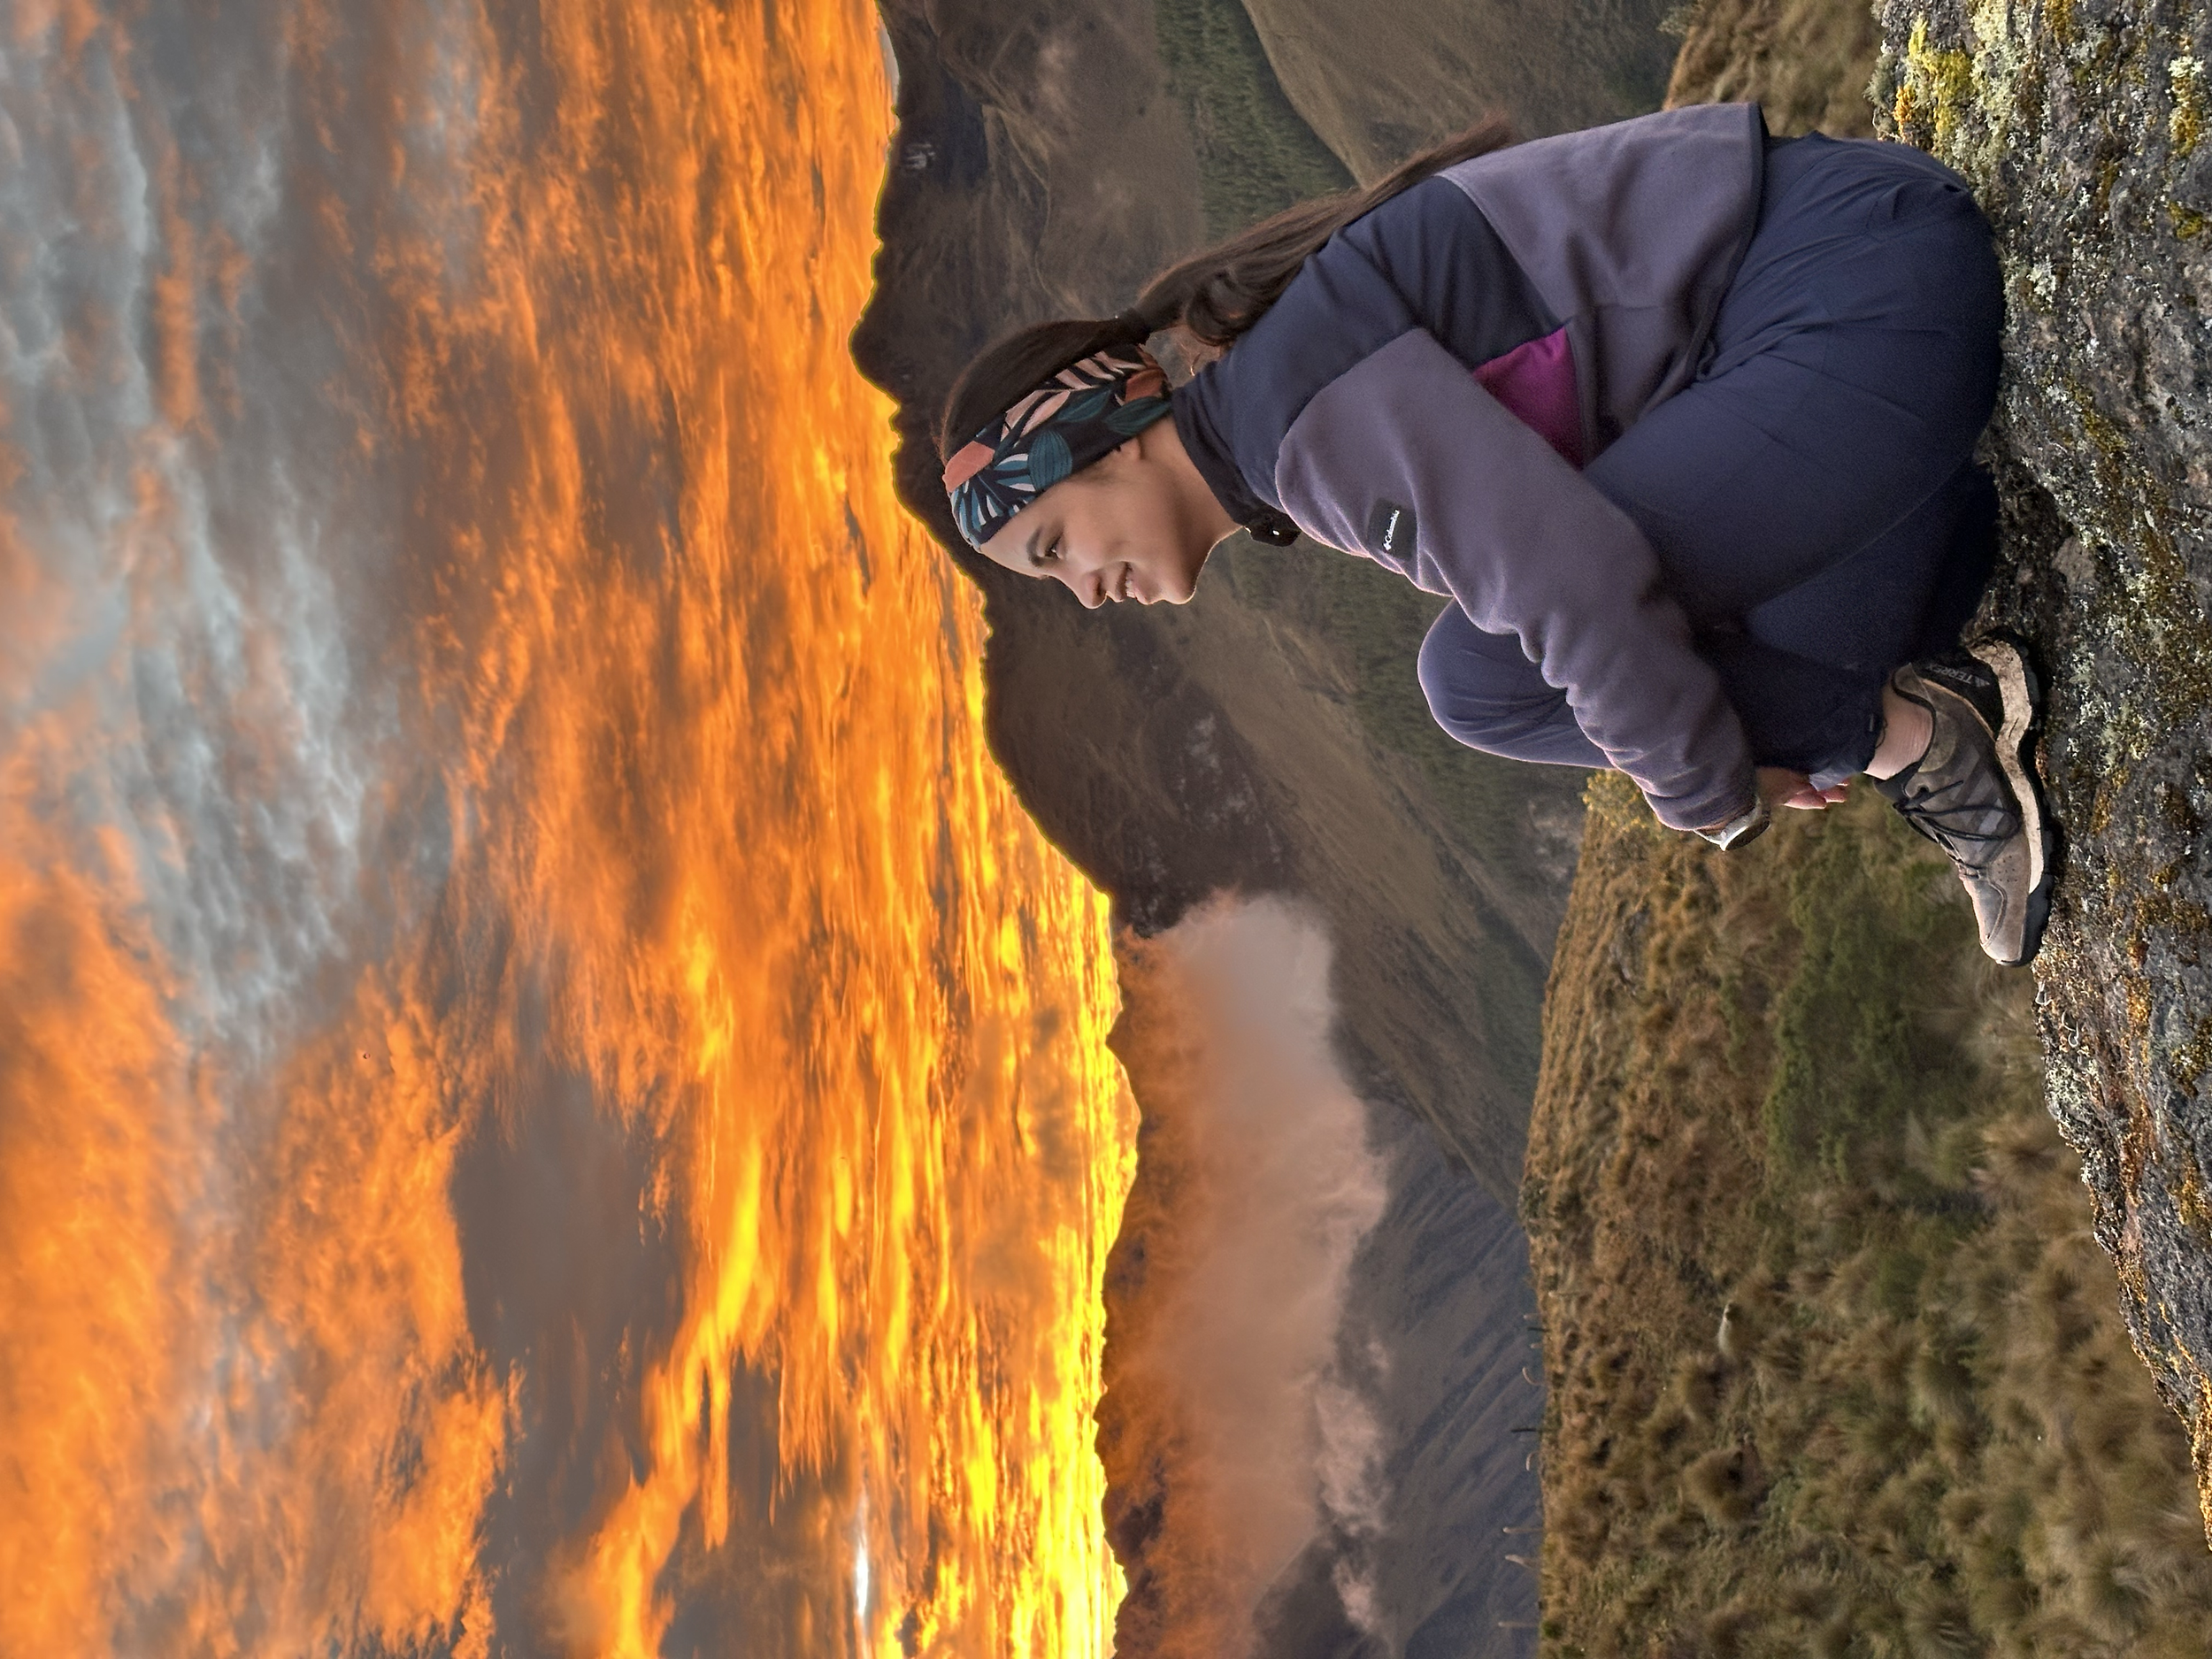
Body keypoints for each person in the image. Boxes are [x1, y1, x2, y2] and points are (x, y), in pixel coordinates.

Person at [935, 104, 2056, 966]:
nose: (1082, 590)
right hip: (1865, 302)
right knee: (1650, 651)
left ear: (1106, 437)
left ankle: (1913, 743)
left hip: (1865, 303)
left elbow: (1577, 583)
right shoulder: (1276, 412)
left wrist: (1707, 797)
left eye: (1052, 546)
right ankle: (1935, 591)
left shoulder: (1298, 422)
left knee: (1483, 681)